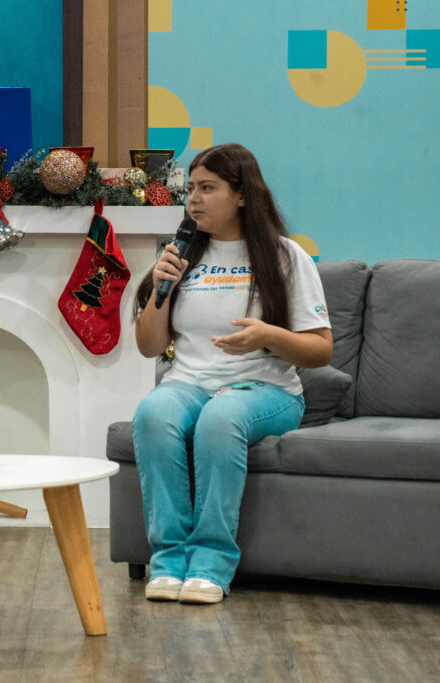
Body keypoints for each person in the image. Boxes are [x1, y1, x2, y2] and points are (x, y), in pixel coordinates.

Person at [130, 143, 332, 604]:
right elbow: (148, 347)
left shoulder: (285, 256)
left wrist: (268, 336)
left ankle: (210, 564)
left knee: (220, 417)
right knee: (152, 413)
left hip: (265, 388)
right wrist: (162, 289)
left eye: (208, 188)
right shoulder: (181, 255)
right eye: (190, 189)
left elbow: (321, 350)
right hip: (189, 383)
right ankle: (168, 562)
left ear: (241, 195)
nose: (194, 200)